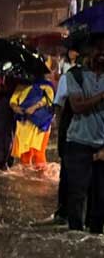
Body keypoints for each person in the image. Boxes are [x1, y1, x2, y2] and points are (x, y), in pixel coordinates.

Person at [63, 41, 104, 233]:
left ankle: (94, 237)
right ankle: (75, 242)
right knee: (77, 196)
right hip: (78, 144)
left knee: (100, 200)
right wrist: (102, 96)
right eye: (98, 48)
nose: (101, 53)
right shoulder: (75, 76)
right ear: (87, 50)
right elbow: (77, 106)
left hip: (102, 145)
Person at [50, 45, 82, 223]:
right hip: (72, 134)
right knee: (69, 175)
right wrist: (61, 133)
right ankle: (65, 213)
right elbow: (59, 107)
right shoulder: (69, 77)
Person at [10, 73, 55, 168]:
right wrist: (16, 108)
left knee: (39, 154)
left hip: (40, 125)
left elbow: (49, 99)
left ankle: (41, 180)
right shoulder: (21, 86)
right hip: (24, 125)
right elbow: (13, 101)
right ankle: (27, 181)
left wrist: (34, 107)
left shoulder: (46, 86)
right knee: (25, 156)